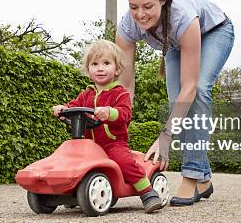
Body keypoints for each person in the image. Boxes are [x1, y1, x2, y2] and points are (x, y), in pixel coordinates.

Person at [115, 0, 235, 206]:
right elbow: (125, 83)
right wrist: (118, 127)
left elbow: (189, 89)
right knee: (176, 105)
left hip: (214, 32)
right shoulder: (127, 26)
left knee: (197, 92)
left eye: (148, 6)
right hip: (174, 44)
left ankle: (191, 175)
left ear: (163, 0)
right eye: (133, 6)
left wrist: (165, 138)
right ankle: (204, 180)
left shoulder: (182, 15)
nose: (140, 15)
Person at [52, 39, 163, 213]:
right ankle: (72, 190)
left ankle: (148, 192)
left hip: (113, 144)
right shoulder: (86, 94)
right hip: (90, 146)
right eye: (94, 64)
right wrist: (62, 109)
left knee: (124, 162)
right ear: (88, 70)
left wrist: (110, 113)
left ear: (117, 69)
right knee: (70, 160)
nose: (100, 68)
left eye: (106, 63)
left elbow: (125, 114)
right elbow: (72, 106)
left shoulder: (120, 94)